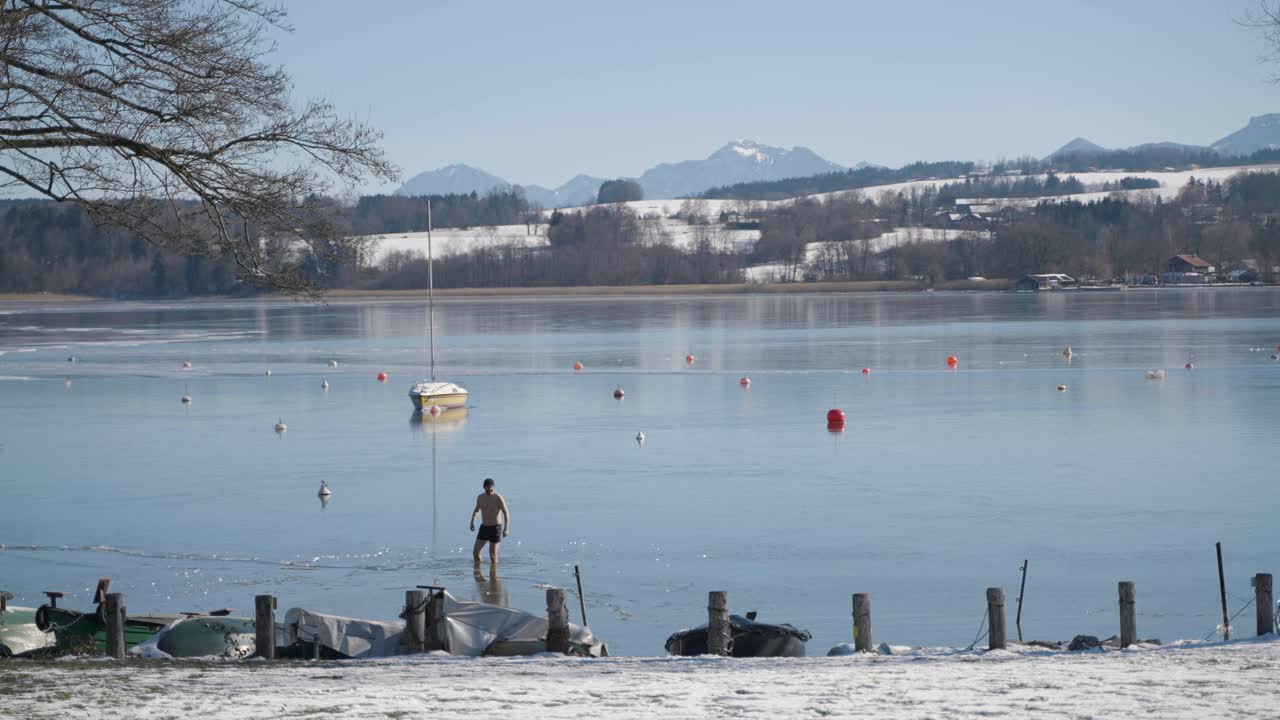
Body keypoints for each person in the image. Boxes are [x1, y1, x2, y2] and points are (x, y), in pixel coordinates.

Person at [470, 478, 510, 565]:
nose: (490, 489)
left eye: (492, 487)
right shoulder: (480, 497)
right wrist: (472, 521)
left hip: (495, 528)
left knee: (492, 556)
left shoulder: (498, 498)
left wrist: (506, 529)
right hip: (484, 528)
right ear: (484, 487)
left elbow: (506, 512)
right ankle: (478, 571)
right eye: (488, 487)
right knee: (475, 553)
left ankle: (494, 577)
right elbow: (477, 510)